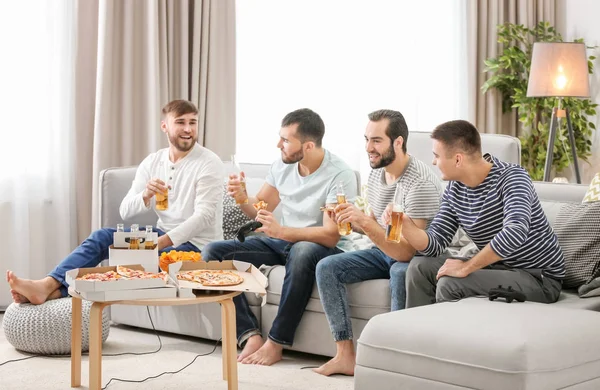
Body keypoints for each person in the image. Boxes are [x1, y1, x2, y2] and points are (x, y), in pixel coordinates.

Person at [6, 99, 224, 305]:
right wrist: (145, 196)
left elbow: (204, 216)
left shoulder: (208, 162)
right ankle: (48, 284)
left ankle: (53, 291)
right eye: (180, 122)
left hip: (196, 245)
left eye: (192, 122)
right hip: (161, 235)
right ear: (164, 126)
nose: (188, 129)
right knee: (103, 237)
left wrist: (158, 244)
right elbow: (126, 210)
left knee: (138, 264)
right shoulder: (153, 161)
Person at [202, 108, 358, 366]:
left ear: (308, 146)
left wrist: (283, 232)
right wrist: (242, 197)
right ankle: (249, 334)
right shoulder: (282, 166)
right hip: (283, 241)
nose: (279, 145)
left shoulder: (339, 173)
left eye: (285, 140)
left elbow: (330, 235)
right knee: (213, 253)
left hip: (321, 248)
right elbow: (260, 209)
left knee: (303, 250)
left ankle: (276, 342)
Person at [312, 109, 443, 376]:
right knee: (327, 267)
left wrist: (367, 224)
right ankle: (345, 355)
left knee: (399, 272)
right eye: (366, 139)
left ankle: (393, 359)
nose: (368, 148)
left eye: (376, 141)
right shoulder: (377, 172)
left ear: (398, 142)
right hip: (384, 249)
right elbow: (375, 221)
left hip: (418, 257)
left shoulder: (421, 183)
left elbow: (408, 251)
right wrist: (349, 219)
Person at [401, 119, 565, 309]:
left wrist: (466, 267)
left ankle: (447, 338)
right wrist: (406, 225)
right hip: (497, 267)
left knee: (450, 283)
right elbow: (434, 244)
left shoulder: (512, 177)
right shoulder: (455, 189)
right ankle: (417, 334)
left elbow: (515, 232)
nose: (433, 162)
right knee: (419, 268)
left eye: (436, 155)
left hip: (537, 277)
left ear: (457, 159)